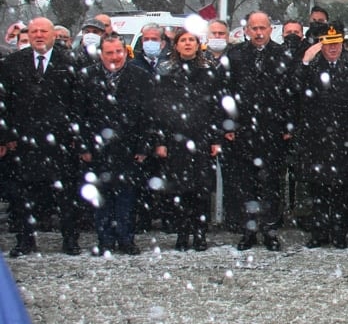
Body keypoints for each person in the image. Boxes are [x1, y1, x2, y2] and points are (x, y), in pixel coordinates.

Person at [2, 18, 82, 256]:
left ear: (53, 35)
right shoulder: (12, 63)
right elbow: (3, 102)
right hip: (23, 141)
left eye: (43, 31)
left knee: (66, 194)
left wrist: (75, 134)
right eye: (34, 31)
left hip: (60, 141)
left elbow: (78, 102)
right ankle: (25, 240)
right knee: (22, 194)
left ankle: (70, 239)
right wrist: (5, 136)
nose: (38, 35)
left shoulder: (69, 62)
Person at [223, 11, 295, 251]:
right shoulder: (235, 55)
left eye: (262, 28)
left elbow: (290, 93)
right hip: (244, 131)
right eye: (254, 28)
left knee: (272, 184)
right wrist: (229, 123)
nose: (258, 32)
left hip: (273, 130)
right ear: (246, 31)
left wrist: (287, 124)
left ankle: (270, 230)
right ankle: (248, 231)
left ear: (270, 29)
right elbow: (226, 93)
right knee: (246, 185)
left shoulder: (283, 55)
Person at [74, 34, 151, 255]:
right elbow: (78, 115)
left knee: (127, 197)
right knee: (101, 198)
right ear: (101, 54)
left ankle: (126, 239)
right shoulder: (87, 77)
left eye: (118, 52)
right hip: (97, 148)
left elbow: (148, 115)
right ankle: (105, 239)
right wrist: (84, 147)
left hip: (128, 148)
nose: (114, 57)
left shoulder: (140, 76)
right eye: (109, 53)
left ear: (125, 52)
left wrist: (143, 146)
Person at [150, 29, 223, 251]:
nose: (188, 43)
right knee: (179, 190)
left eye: (192, 40)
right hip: (176, 140)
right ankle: (182, 233)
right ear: (177, 46)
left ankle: (200, 233)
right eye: (183, 40)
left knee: (201, 190)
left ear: (198, 45)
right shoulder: (166, 73)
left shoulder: (209, 74)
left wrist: (215, 139)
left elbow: (216, 108)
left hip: (201, 139)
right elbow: (158, 110)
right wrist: (160, 140)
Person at [295, 22, 348, 249]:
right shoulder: (311, 67)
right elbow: (295, 89)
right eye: (327, 43)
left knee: (342, 188)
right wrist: (305, 61)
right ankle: (319, 232)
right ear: (320, 44)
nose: (332, 48)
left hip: (344, 136)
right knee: (318, 188)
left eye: (336, 43)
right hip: (317, 136)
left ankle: (339, 232)